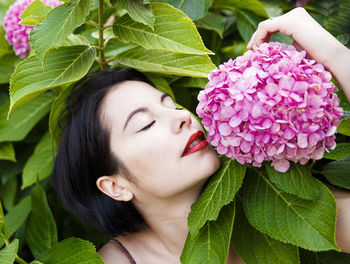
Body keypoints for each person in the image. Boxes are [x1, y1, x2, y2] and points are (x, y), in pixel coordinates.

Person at [51, 7, 350, 264]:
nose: (183, 117)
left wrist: (334, 54)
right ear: (115, 186)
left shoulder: (281, 202)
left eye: (171, 104)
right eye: (144, 124)